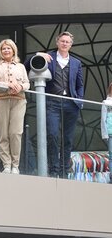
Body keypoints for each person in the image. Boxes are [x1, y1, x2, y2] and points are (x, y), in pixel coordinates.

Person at [25, 31, 84, 178]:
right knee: (52, 135)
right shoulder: (49, 57)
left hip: (71, 104)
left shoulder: (76, 62)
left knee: (68, 138)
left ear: (71, 44)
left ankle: (64, 171)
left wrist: (80, 100)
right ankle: (54, 169)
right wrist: (37, 54)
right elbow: (26, 65)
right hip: (52, 102)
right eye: (62, 41)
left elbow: (80, 84)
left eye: (67, 42)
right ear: (57, 42)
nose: (65, 44)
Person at [0, 39, 30, 174]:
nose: (6, 51)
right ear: (0, 51)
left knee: (16, 133)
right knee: (3, 134)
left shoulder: (20, 66)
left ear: (13, 50)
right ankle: (6, 164)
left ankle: (15, 165)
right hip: (1, 100)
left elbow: (27, 83)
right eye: (3, 49)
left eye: (9, 48)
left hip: (19, 101)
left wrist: (20, 86)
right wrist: (6, 85)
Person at [101, 82, 112, 181]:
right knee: (111, 154)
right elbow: (103, 119)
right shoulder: (106, 102)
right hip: (110, 132)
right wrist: (105, 134)